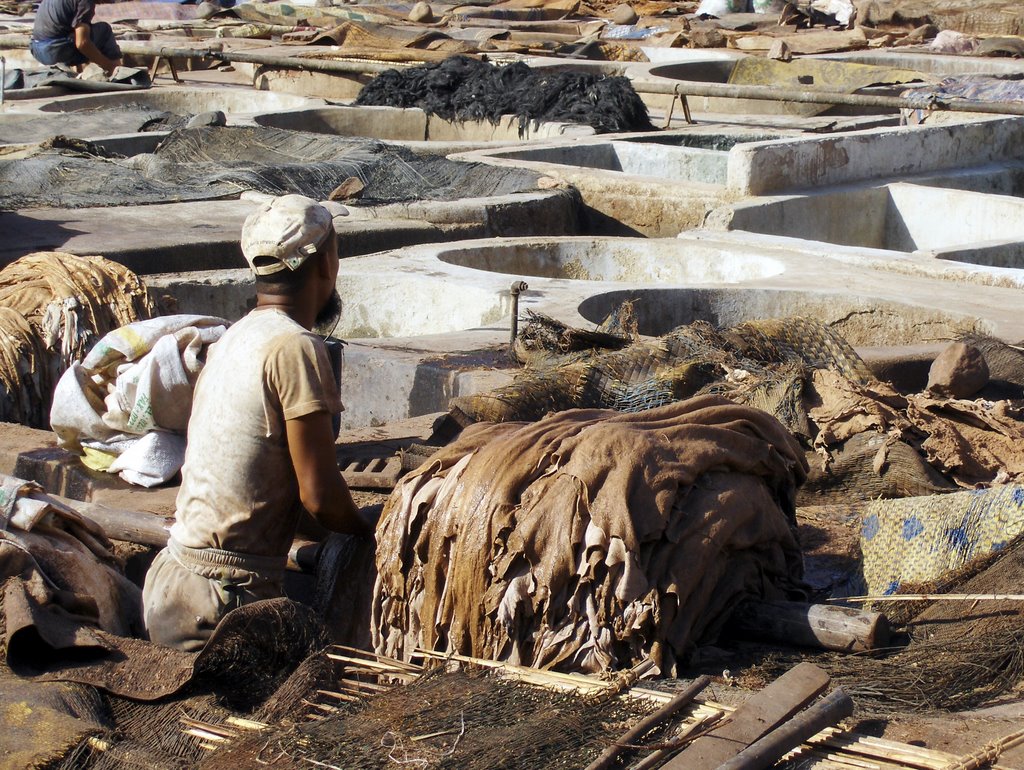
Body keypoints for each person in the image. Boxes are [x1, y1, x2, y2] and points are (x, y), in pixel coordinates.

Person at [143, 194, 373, 652]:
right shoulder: (296, 347)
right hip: (226, 601)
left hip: (170, 583)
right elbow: (321, 497)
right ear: (328, 262)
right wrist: (372, 532)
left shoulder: (236, 336)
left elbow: (262, 488)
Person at [30, 0, 122, 75]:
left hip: (37, 49)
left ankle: (78, 72)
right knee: (104, 30)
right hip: (54, 51)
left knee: (81, 31)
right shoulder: (86, 2)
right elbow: (82, 43)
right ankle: (118, 72)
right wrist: (108, 65)